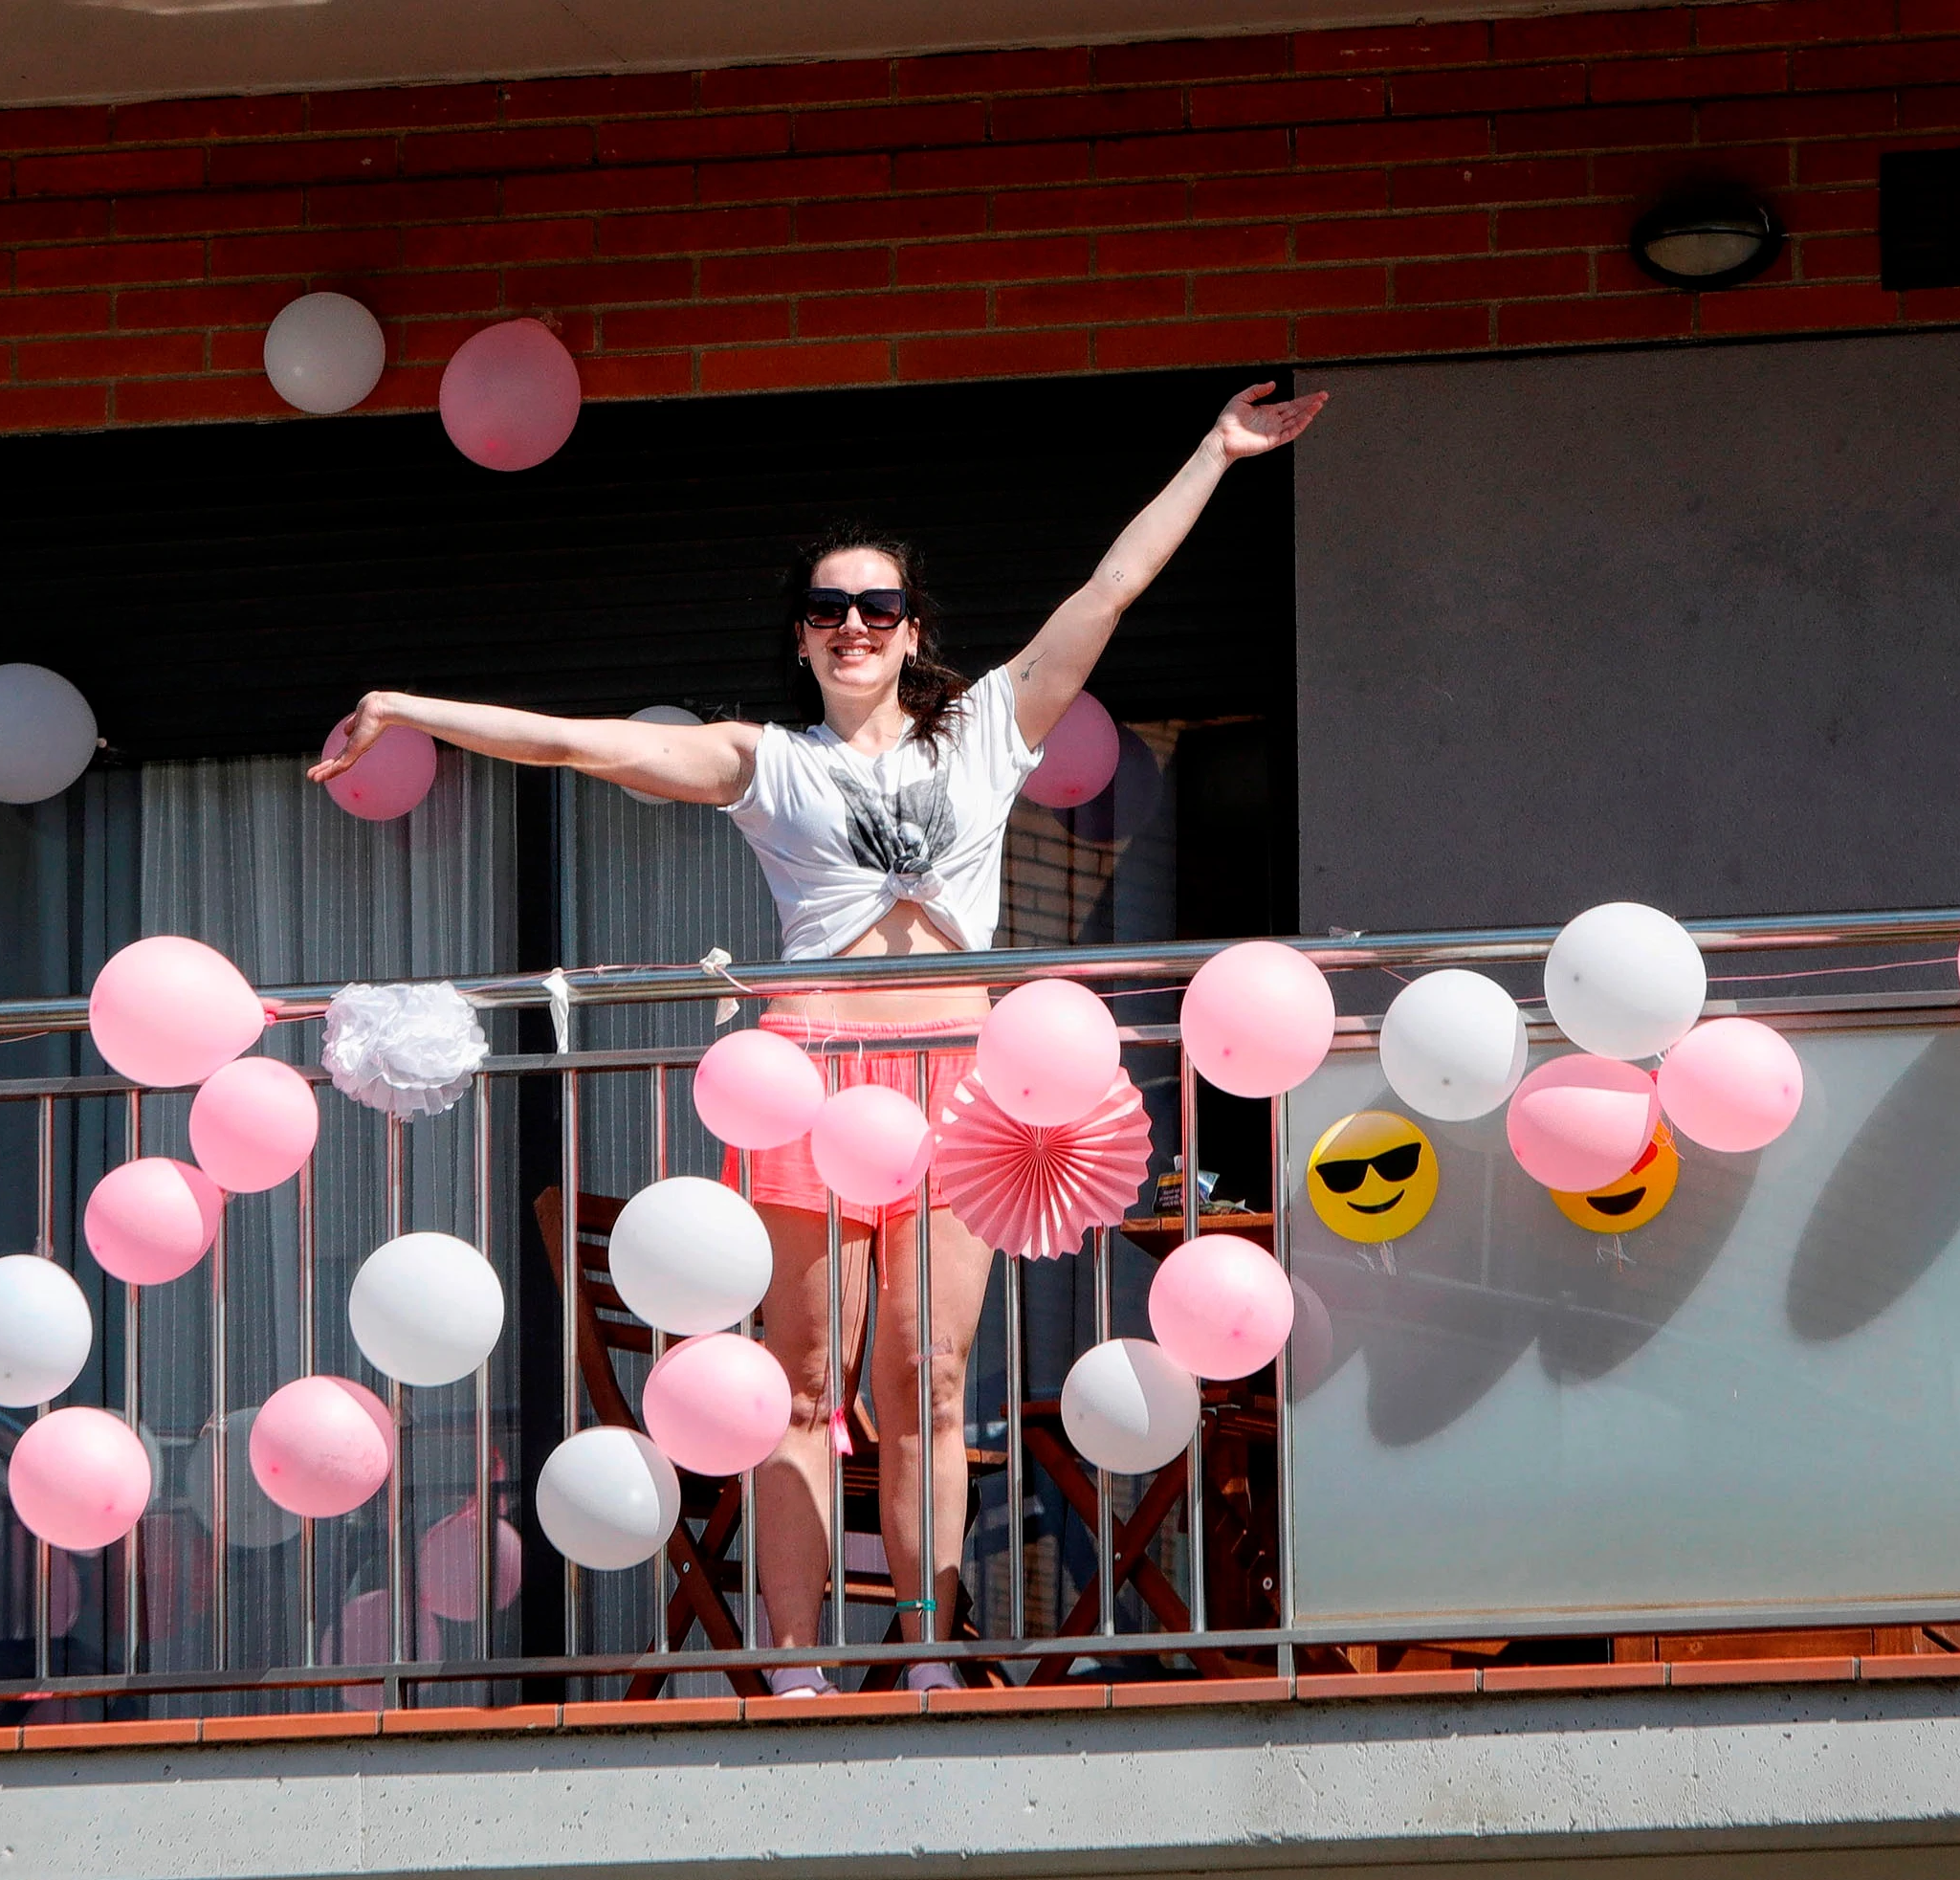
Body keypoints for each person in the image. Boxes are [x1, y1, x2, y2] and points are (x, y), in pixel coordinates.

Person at [308, 380, 1327, 1691]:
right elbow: (576, 746)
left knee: (935, 1377)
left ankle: (922, 1653)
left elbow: (1106, 593)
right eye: (830, 608)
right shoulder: (765, 761)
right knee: (802, 1382)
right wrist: (405, 705)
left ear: (914, 632)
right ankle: (793, 1669)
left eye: (879, 607)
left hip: (969, 1080)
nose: (855, 625)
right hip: (814, 1078)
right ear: (802, 638)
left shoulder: (989, 731)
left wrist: (1218, 451)